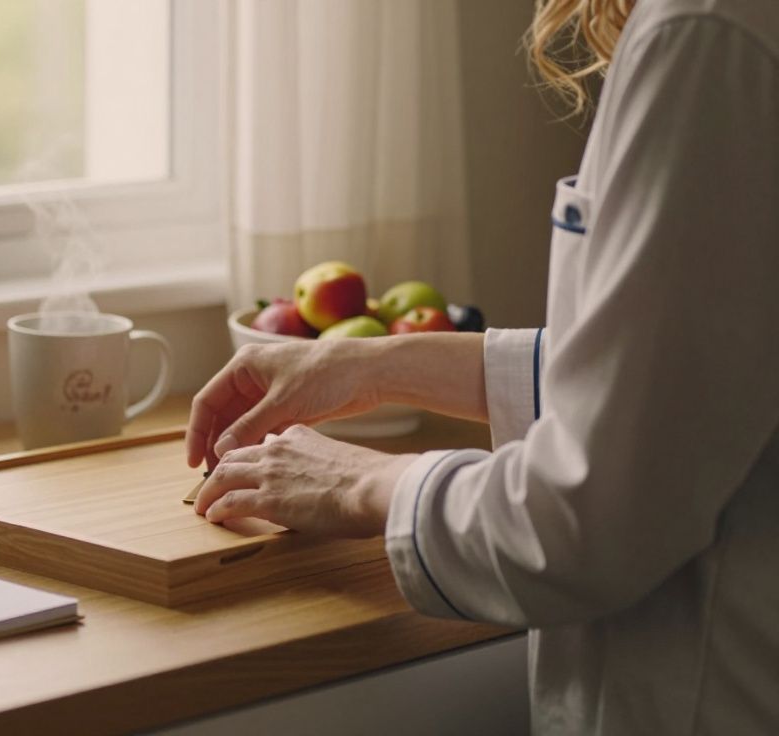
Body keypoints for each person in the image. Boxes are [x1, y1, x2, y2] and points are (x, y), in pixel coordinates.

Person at [186, 0, 779, 732]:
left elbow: (586, 522)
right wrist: (379, 364)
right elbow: (696, 370)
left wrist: (360, 480)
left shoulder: (708, 32)